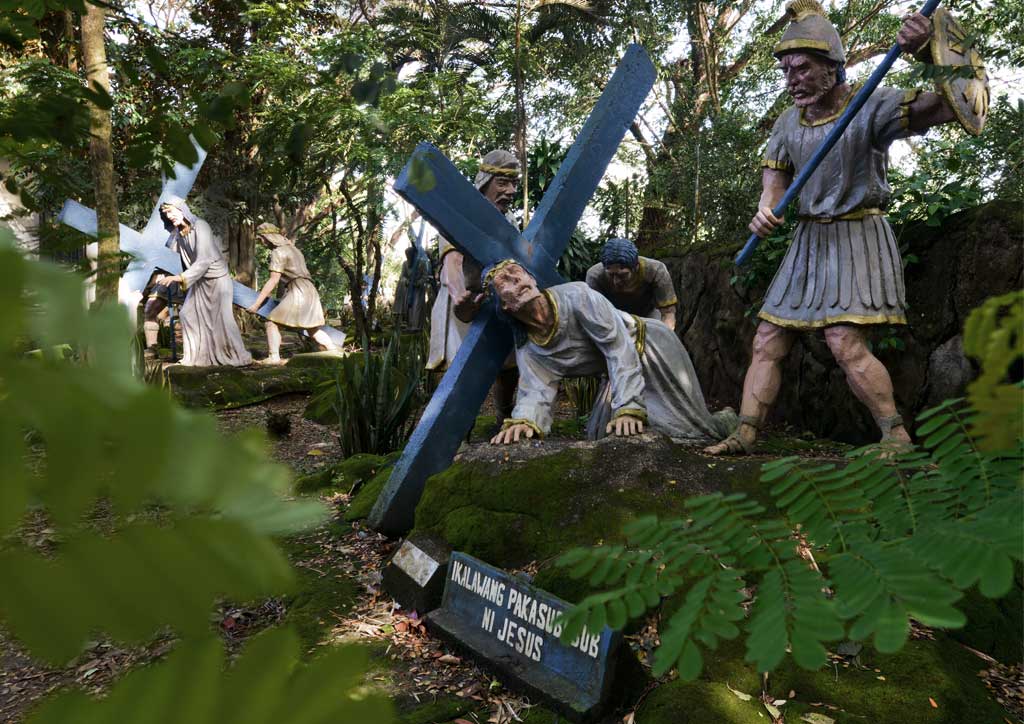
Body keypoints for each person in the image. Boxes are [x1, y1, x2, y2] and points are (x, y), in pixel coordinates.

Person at [704, 1, 959, 455]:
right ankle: (744, 433)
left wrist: (927, 52)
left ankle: (895, 436)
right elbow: (774, 182)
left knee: (844, 340)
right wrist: (765, 211)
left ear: (833, 68)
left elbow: (944, 107)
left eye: (802, 68)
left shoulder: (871, 105)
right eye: (786, 71)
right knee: (767, 336)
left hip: (857, 235)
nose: (792, 79)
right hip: (807, 240)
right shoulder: (787, 122)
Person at [485, 261, 735, 445]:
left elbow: (618, 348)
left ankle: (727, 421)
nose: (516, 280)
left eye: (516, 272)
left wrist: (628, 407)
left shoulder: (577, 296)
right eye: (505, 281)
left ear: (532, 278)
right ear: (504, 306)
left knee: (689, 430)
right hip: (616, 372)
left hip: (651, 347)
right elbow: (535, 391)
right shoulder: (530, 347)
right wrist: (525, 422)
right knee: (602, 437)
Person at [427, 149, 520, 428]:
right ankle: (452, 438)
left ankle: (504, 420)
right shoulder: (459, 214)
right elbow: (451, 262)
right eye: (502, 182)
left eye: (513, 183)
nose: (511, 190)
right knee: (458, 376)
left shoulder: (510, 221)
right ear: (485, 181)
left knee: (509, 368)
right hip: (462, 301)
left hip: (495, 302)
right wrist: (459, 297)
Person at [154, 197, 252, 367]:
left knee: (224, 320)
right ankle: (197, 357)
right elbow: (173, 255)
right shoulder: (179, 233)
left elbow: (204, 259)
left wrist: (180, 278)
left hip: (217, 281)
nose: (169, 216)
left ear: (182, 209)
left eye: (170, 211)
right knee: (187, 314)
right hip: (199, 281)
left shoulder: (201, 226)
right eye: (165, 214)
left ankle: (237, 354)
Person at [245, 223, 341, 364]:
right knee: (312, 329)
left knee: (271, 323)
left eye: (261, 239)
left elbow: (273, 281)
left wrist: (256, 304)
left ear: (267, 237)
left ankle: (274, 357)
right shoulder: (295, 250)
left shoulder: (278, 252)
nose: (261, 243)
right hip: (309, 289)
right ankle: (333, 351)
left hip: (299, 291)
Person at [586, 237, 678, 330]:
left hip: (648, 316)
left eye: (622, 275)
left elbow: (668, 313)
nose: (616, 281)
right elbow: (595, 314)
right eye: (611, 275)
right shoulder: (595, 276)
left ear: (636, 267)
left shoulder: (656, 270)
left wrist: (665, 335)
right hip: (612, 317)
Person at [140, 271, 184, 359]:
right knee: (150, 309)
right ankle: (152, 348)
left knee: (187, 314)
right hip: (165, 277)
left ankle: (191, 349)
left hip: (188, 277)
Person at [393, 243, 432, 332]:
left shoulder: (421, 263)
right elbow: (402, 276)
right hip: (408, 289)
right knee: (408, 307)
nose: (408, 257)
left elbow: (425, 276)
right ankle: (409, 325)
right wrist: (406, 281)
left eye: (410, 255)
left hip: (418, 289)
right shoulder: (405, 264)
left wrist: (418, 283)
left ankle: (417, 326)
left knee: (417, 307)